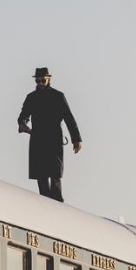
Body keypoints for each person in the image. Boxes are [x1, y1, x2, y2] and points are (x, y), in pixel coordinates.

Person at [17, 67, 82, 201]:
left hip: (54, 139)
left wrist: (77, 139)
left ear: (49, 79)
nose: (40, 83)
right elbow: (23, 115)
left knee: (55, 175)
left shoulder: (57, 96)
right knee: (41, 177)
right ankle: (45, 204)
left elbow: (69, 118)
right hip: (38, 138)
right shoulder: (31, 97)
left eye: (43, 81)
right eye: (38, 81)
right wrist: (23, 124)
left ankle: (57, 205)